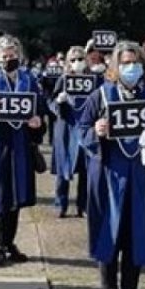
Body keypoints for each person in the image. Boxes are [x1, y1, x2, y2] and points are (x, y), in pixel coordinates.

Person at [78, 40, 145, 289]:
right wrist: (95, 131)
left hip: (141, 176)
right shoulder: (102, 95)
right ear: (115, 66)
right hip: (109, 174)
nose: (131, 67)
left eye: (135, 62)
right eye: (125, 63)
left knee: (135, 239)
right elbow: (81, 129)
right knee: (109, 238)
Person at [0, 35, 45, 266]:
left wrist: (38, 121)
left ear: (19, 56)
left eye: (12, 56)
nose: (8, 60)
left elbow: (41, 109)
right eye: (4, 56)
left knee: (16, 195)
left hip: (21, 144)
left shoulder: (30, 81)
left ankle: (10, 242)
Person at [48, 46, 92, 218]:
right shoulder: (63, 79)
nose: (77, 63)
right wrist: (59, 102)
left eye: (80, 59)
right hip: (66, 126)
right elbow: (51, 102)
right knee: (63, 168)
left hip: (85, 126)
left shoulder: (93, 80)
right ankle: (61, 203)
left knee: (86, 169)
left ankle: (84, 205)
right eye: (73, 60)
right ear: (67, 62)